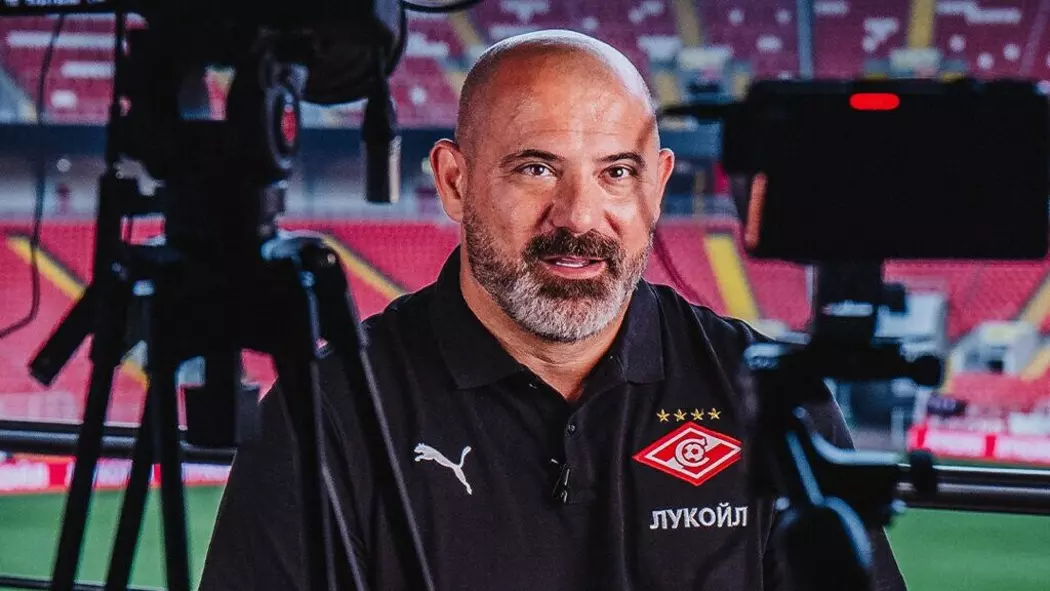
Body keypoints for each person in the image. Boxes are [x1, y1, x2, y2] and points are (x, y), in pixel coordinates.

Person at [199, 30, 907, 591]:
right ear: (454, 181)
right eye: (536, 169)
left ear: (657, 185)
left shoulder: (766, 391)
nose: (579, 217)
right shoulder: (326, 413)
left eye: (616, 172)